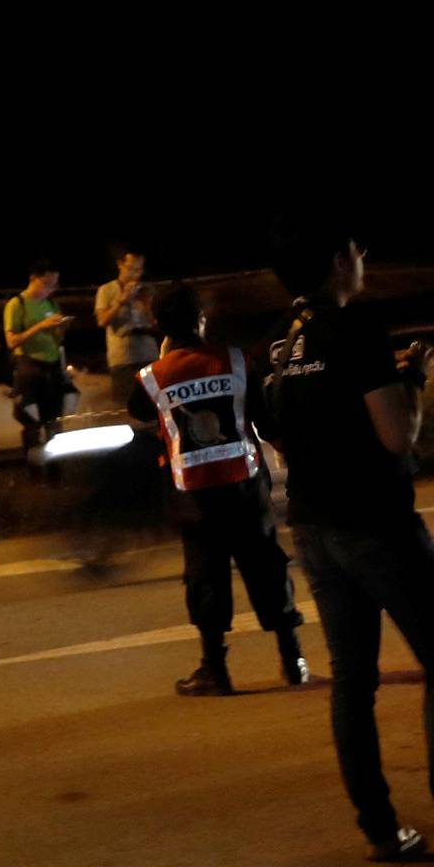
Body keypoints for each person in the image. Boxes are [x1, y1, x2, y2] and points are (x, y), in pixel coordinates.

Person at [260, 215, 434, 862]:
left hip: (312, 527)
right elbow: (397, 436)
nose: (362, 257)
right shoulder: (354, 327)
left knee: (352, 681)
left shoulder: (274, 345)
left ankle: (382, 831)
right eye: (356, 249)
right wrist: (412, 380)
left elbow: (273, 433)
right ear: (338, 262)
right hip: (376, 523)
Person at [129, 279, 309, 696]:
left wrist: (166, 355)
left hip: (193, 498)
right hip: (246, 487)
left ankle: (215, 670)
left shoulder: (152, 377)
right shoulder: (237, 361)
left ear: (159, 325)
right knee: (266, 566)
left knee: (205, 578)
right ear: (202, 320)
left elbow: (140, 412)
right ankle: (293, 658)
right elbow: (266, 422)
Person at [4, 260, 70, 466]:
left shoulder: (51, 303)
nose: (51, 288)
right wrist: (41, 326)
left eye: (54, 284)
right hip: (29, 367)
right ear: (33, 279)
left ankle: (55, 469)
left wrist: (60, 328)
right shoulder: (17, 304)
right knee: (31, 422)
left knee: (55, 421)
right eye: (47, 283)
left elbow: (58, 339)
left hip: (52, 367)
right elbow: (11, 341)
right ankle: (33, 467)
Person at [95, 243, 159, 379]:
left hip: (149, 354)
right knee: (123, 399)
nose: (136, 274)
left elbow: (157, 323)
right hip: (122, 358)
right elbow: (102, 321)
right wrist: (121, 301)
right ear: (120, 264)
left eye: (139, 270)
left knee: (152, 398)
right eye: (131, 269)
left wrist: (146, 304)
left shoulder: (147, 290)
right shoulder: (106, 290)